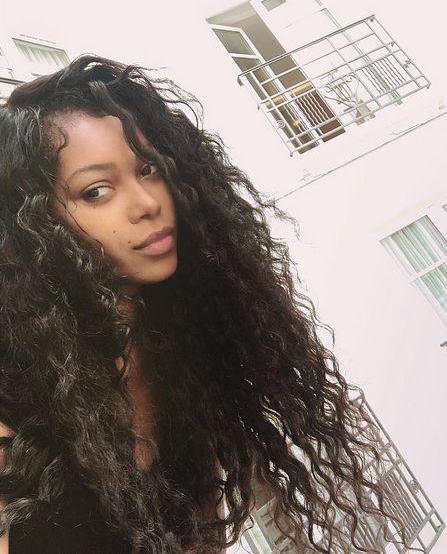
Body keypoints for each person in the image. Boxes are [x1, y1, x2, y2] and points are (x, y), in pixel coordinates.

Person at [0, 55, 405, 554]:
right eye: (97, 191)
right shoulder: (14, 389)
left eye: (149, 169)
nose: (147, 202)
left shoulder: (184, 359)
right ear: (35, 227)